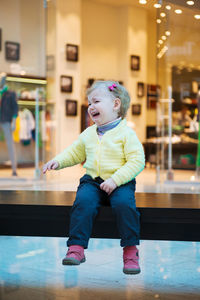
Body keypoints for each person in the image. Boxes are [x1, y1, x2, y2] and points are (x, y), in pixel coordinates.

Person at [43, 80, 145, 275]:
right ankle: (76, 248)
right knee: (82, 202)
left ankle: (131, 251)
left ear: (116, 105)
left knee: (125, 206)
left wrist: (115, 180)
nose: (90, 107)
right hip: (92, 181)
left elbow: (137, 161)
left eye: (96, 101)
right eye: (89, 103)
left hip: (120, 182)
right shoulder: (89, 133)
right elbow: (74, 153)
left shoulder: (126, 133)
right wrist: (57, 161)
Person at [0, 72, 18, 176]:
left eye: (3, 78)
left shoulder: (11, 93)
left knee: (10, 145)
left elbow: (15, 108)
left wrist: (14, 121)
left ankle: (14, 169)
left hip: (6, 121)